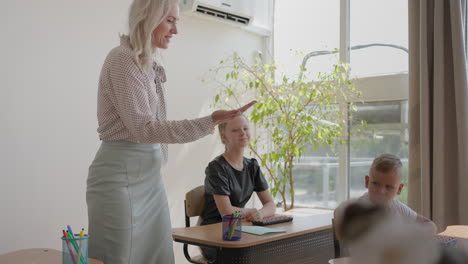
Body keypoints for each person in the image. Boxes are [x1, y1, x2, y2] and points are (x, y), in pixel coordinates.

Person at [86, 0, 256, 263]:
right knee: (118, 257)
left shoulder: (147, 62)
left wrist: (211, 120)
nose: (176, 30)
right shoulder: (122, 59)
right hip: (120, 179)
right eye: (171, 20)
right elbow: (144, 129)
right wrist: (209, 121)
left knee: (160, 256)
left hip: (150, 178)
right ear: (148, 17)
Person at [199, 115, 276, 262]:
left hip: (238, 229)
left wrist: (260, 213)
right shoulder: (216, 168)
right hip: (214, 235)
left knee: (272, 249)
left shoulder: (252, 166)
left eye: (245, 128)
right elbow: (226, 211)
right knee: (247, 257)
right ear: (223, 137)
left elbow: (271, 205)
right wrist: (251, 212)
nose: (243, 133)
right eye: (235, 130)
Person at [335, 153, 437, 241]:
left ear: (399, 189)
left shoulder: (397, 207)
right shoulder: (360, 208)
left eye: (389, 187)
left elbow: (430, 225)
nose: (381, 191)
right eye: (375, 184)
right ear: (367, 182)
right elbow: (339, 212)